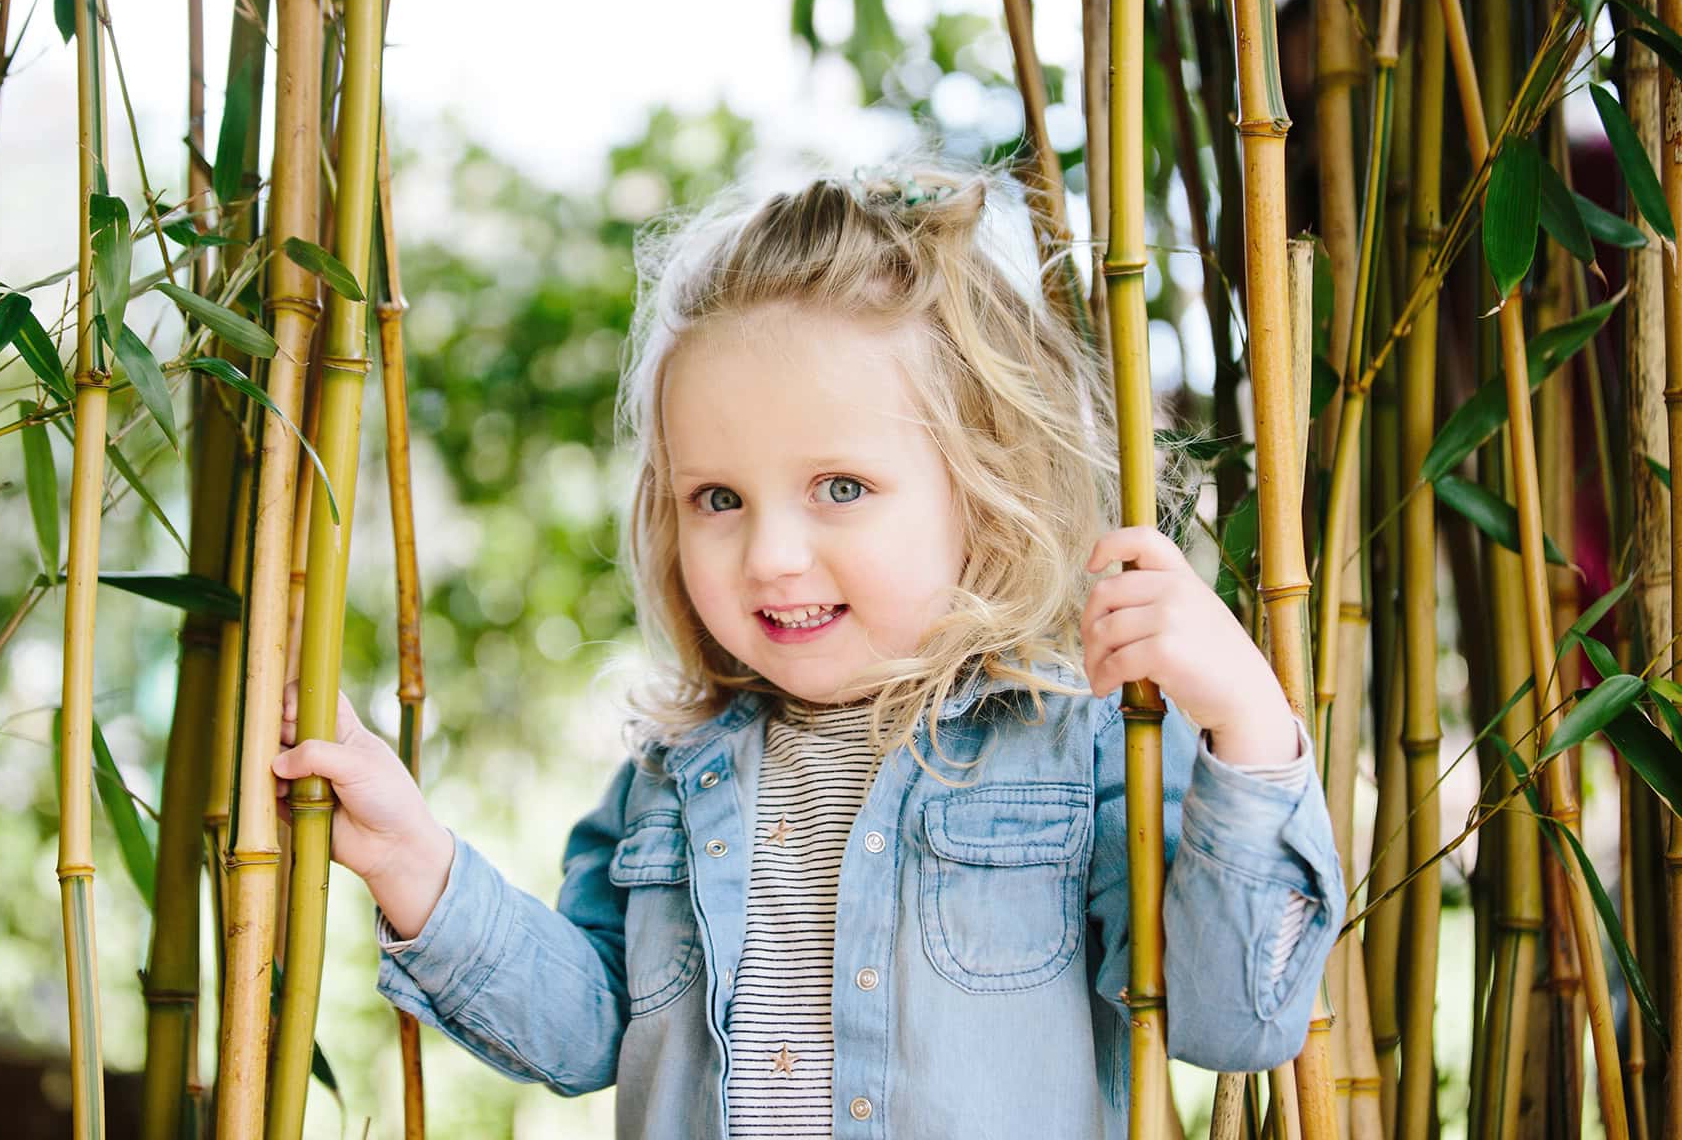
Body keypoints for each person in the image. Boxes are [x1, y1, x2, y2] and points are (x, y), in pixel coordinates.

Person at [273, 163, 1346, 1140]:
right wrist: (411, 858)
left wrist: (1247, 728)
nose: (772, 556)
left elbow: (1231, 1020)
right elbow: (588, 1028)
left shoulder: (1084, 747)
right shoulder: (668, 778)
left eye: (842, 488)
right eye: (718, 499)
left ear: (985, 490)